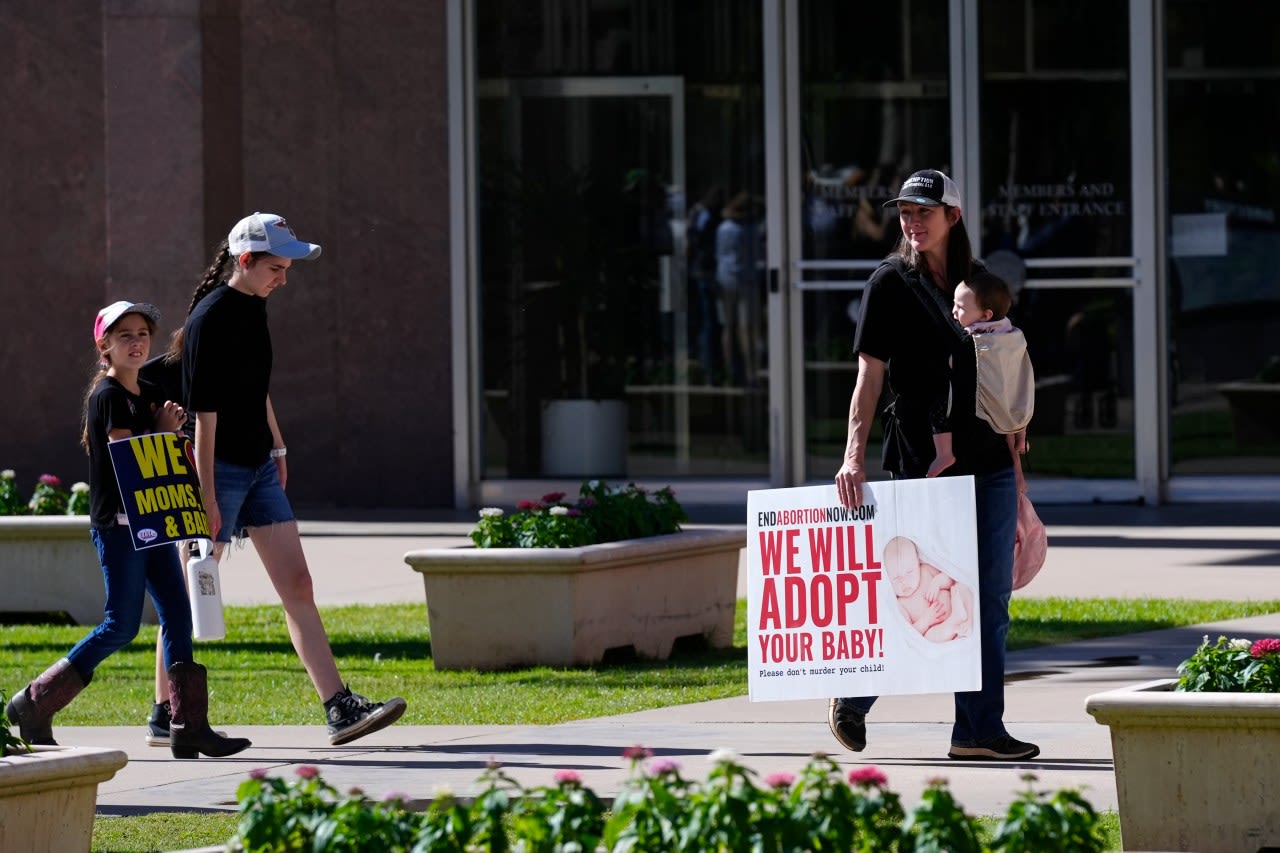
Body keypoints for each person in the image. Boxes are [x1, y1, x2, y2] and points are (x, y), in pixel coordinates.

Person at [159, 212, 407, 746]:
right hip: (217, 468)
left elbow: (255, 387)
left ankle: (338, 707)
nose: (284, 278)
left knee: (298, 584)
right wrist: (206, 498)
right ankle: (166, 711)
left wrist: (277, 442)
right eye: (276, 267)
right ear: (244, 261)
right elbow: (204, 414)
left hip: (257, 467)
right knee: (190, 593)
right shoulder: (210, 317)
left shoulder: (254, 307)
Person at [828, 169, 1039, 761]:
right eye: (904, 212)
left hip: (990, 457)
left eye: (925, 210)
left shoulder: (978, 285)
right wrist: (852, 456)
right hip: (924, 464)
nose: (912, 221)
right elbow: (869, 377)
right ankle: (857, 696)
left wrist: (1016, 420)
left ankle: (978, 730)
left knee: (990, 599)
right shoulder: (889, 283)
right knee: (918, 591)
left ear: (954, 217)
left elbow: (1007, 357)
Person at [5, 301, 251, 760]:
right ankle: (32, 703)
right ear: (104, 347)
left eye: (142, 334)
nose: (136, 342)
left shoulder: (149, 391)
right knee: (120, 625)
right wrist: (161, 429)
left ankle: (188, 725)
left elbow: (165, 460)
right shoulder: (109, 397)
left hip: (152, 524)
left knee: (178, 616)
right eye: (124, 336)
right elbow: (130, 462)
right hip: (119, 528)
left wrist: (174, 434)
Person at [928, 270, 1034, 477]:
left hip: (979, 416)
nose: (953, 312)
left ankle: (943, 453)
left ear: (986, 316)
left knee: (938, 402)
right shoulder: (1013, 335)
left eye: (960, 307)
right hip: (1012, 406)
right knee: (1018, 392)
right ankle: (1022, 437)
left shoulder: (971, 340)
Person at [882, 536, 974, 642]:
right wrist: (925, 620)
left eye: (909, 573)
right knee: (929, 637)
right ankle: (954, 622)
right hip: (940, 630)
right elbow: (909, 633)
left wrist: (937, 582)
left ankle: (969, 621)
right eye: (896, 579)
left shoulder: (925, 570)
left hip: (956, 604)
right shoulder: (901, 604)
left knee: (962, 586)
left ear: (917, 562)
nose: (904, 582)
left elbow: (951, 579)